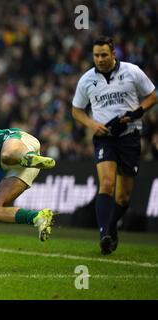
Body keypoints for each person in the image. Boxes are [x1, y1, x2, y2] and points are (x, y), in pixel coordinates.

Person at [71, 36, 157, 255]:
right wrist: (91, 124)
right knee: (107, 184)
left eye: (104, 55)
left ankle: (110, 227)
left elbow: (153, 95)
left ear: (113, 54)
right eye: (96, 55)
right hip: (105, 138)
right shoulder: (86, 80)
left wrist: (138, 112)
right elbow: (76, 110)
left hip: (129, 137)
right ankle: (104, 234)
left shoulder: (132, 71)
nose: (99, 59)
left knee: (123, 198)